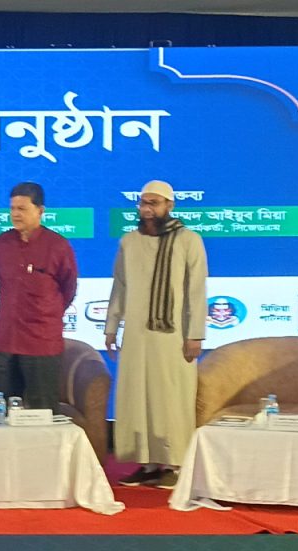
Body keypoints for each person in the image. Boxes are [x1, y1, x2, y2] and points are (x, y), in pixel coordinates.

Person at [104, 179, 208, 490]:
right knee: (138, 398)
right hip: (136, 336)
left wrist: (195, 335)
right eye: (143, 203)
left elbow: (196, 291)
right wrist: (111, 327)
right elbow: (120, 287)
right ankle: (148, 465)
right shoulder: (129, 242)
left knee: (171, 399)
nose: (147, 209)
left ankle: (176, 464)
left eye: (154, 203)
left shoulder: (188, 240)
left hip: (173, 337)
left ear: (169, 206)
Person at [0, 182, 78, 413]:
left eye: (22, 209)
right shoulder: (2, 243)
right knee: (3, 411)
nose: (15, 214)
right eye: (12, 208)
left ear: (40, 211)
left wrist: (45, 311)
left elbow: (68, 288)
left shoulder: (57, 246)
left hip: (41, 342)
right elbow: (2, 280)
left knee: (43, 412)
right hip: (6, 340)